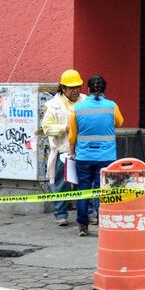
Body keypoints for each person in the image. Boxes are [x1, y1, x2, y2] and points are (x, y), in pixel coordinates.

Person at [69, 75, 124, 236]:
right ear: (104, 89)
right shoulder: (111, 106)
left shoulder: (78, 108)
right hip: (106, 156)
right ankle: (103, 223)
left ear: (88, 89)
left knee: (83, 190)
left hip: (84, 156)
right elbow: (120, 122)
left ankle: (82, 226)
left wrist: (72, 152)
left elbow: (72, 135)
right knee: (103, 191)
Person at [41, 69, 85, 226]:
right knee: (61, 184)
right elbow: (46, 127)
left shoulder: (85, 101)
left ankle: (88, 215)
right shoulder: (53, 105)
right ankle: (61, 214)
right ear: (63, 88)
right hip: (63, 150)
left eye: (78, 87)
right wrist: (64, 128)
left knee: (84, 184)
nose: (76, 91)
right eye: (72, 88)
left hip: (83, 150)